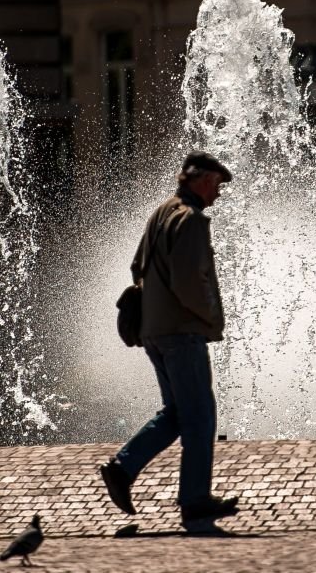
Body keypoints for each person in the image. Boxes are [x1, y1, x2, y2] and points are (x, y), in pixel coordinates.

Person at [100, 151, 239, 527]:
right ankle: (194, 499)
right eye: (216, 185)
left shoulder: (161, 211)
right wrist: (212, 317)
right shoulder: (190, 220)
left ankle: (122, 469)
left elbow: (136, 265)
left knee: (178, 413)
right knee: (200, 417)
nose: (218, 194)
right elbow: (189, 281)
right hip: (182, 331)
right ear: (201, 180)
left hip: (155, 331)